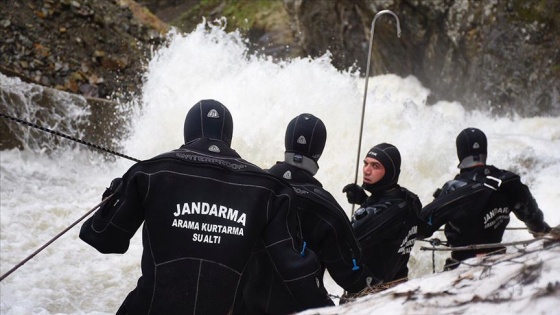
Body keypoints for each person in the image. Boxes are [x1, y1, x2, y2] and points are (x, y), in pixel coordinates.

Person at [79, 100, 331, 314]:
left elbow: (102, 238)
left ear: (188, 132)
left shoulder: (149, 172)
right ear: (228, 137)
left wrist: (114, 193)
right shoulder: (269, 189)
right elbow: (293, 270)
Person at [241, 113, 377, 314]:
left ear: (286, 141)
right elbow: (351, 276)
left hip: (245, 306)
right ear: (318, 151)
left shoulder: (249, 187)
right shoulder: (327, 208)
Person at [417, 127, 551, 270]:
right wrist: (546, 233)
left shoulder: (454, 189)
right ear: (484, 150)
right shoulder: (509, 182)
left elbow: (421, 229)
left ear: (460, 153)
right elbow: (535, 221)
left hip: (462, 266)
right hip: (499, 263)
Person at [342, 143, 422, 283]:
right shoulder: (411, 199)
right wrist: (365, 201)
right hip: (399, 281)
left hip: (375, 292)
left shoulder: (389, 211)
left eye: (375, 166)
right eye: (365, 164)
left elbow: (345, 241)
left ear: (390, 171)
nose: (366, 171)